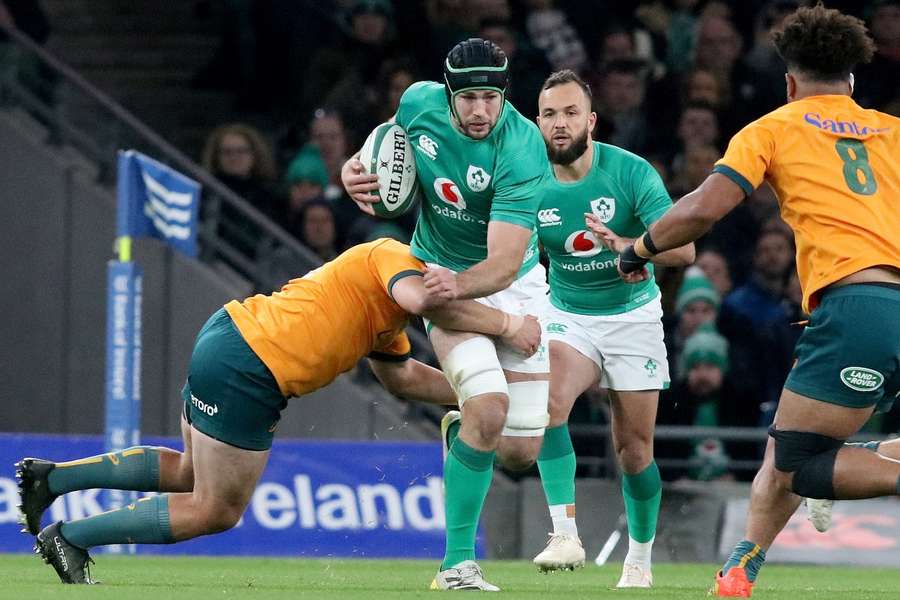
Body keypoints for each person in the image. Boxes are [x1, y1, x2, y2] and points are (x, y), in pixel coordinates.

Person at [17, 238, 542, 585]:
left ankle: (53, 479)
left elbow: (401, 378)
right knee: (216, 510)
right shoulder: (393, 257)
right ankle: (70, 538)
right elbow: (423, 299)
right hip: (252, 368)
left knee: (187, 472)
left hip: (231, 335)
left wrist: (470, 394)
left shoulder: (386, 317)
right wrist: (505, 327)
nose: (452, 284)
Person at [608, 5, 900, 596]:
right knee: (782, 456)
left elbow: (701, 209)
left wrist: (637, 250)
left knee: (798, 468)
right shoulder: (893, 132)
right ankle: (740, 570)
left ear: (788, 82)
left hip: (859, 306)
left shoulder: (774, 127)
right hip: (881, 303)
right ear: (852, 80)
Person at [341, 38, 550, 591]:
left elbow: (504, 263)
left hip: (512, 280)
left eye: (490, 97)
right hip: (438, 273)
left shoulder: (522, 146)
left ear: (504, 94)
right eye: (469, 98)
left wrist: (460, 285)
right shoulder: (417, 103)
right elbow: (381, 149)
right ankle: (456, 565)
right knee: (489, 406)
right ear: (449, 93)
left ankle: (464, 419)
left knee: (522, 451)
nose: (480, 111)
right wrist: (350, 172)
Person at [531, 70, 694, 586]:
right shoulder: (525, 179)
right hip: (568, 314)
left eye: (571, 112)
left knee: (633, 451)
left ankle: (639, 561)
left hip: (632, 318)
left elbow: (685, 248)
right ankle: (564, 532)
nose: (560, 124)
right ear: (537, 122)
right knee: (548, 404)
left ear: (591, 120)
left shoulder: (629, 172)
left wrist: (628, 246)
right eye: (550, 114)